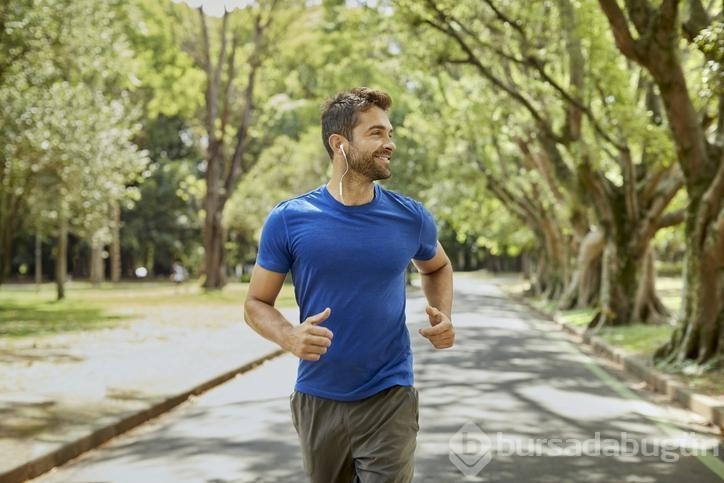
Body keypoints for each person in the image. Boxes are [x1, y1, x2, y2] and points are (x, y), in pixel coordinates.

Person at [244, 87, 454, 483]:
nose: (389, 144)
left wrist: (443, 313)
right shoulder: (289, 219)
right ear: (339, 144)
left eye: (389, 133)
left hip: (390, 396)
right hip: (318, 398)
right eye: (376, 134)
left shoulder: (410, 217)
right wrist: (289, 336)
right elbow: (255, 302)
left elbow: (438, 267)